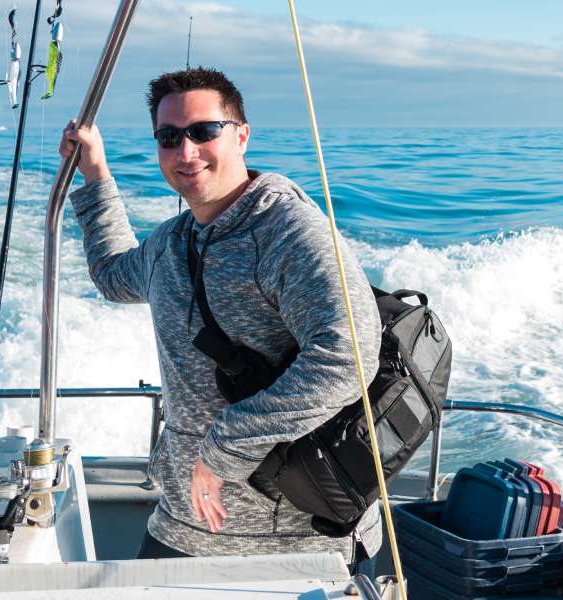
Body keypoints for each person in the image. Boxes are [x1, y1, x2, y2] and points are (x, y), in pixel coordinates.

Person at [60, 67, 382, 564]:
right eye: (169, 137)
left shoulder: (289, 233)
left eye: (203, 131)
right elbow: (111, 275)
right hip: (180, 527)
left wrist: (223, 450)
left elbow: (349, 358)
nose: (185, 152)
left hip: (295, 547)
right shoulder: (172, 240)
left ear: (241, 135)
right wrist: (97, 174)